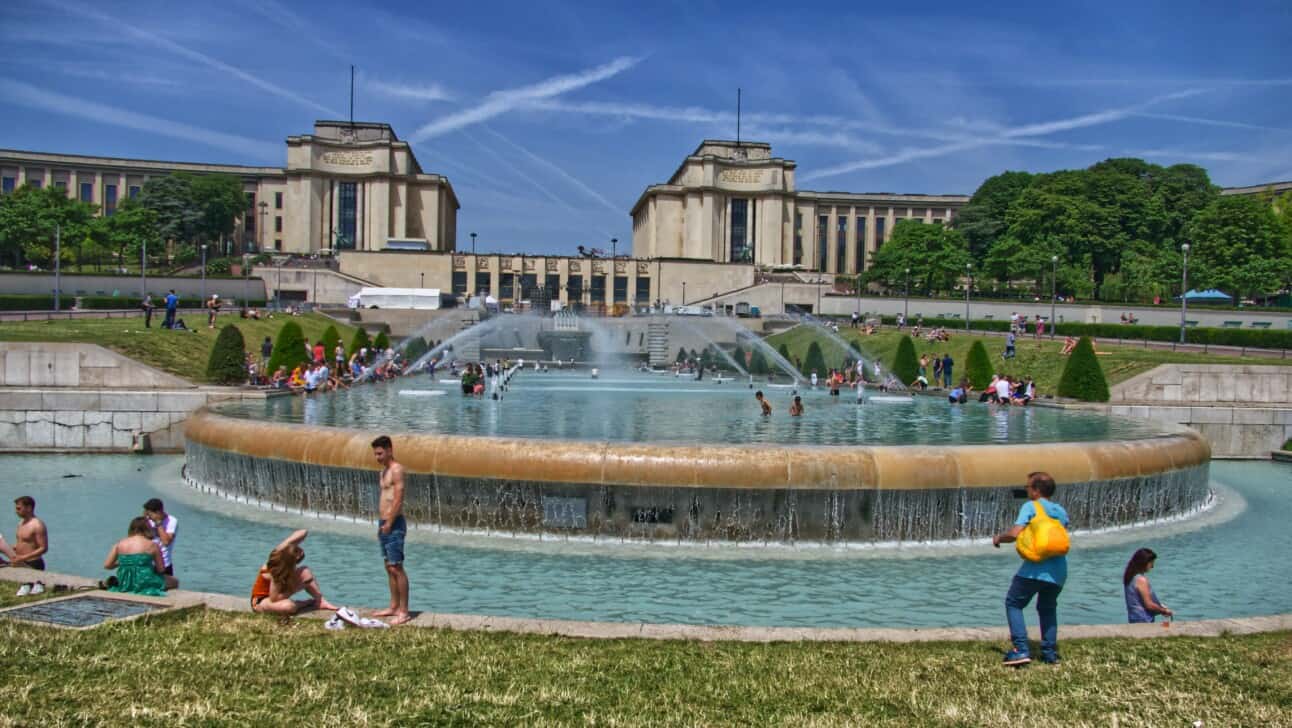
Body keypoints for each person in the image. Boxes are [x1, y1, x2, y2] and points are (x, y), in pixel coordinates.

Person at [992, 472, 1069, 667]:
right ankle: (1050, 653)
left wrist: (999, 538)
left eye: (1028, 487)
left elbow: (1015, 533)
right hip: (1059, 571)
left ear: (1036, 490)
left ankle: (1020, 649)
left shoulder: (1031, 506)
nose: (1026, 490)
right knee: (1048, 609)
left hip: (1034, 569)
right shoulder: (1060, 511)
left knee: (1013, 603)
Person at [250, 529, 337, 615]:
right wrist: (298, 587)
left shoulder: (280, 552)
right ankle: (304, 603)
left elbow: (303, 532)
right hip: (262, 601)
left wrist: (289, 542)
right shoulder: (276, 570)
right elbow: (274, 599)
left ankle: (320, 601)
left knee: (305, 572)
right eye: (298, 555)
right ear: (290, 562)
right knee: (289, 606)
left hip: (275, 596)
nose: (301, 551)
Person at [372, 436, 411, 625]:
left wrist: (389, 521)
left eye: (380, 453)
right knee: (388, 567)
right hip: (384, 523)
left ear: (389, 449)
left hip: (394, 523)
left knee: (397, 567)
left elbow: (398, 498)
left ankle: (404, 611)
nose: (377, 457)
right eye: (375, 454)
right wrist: (382, 524)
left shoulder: (397, 470)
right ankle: (393, 606)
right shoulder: (383, 472)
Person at [102, 517, 177, 596]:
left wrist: (123, 562)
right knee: (174, 581)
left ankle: (114, 583)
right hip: (144, 579)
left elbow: (107, 565)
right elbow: (161, 569)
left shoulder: (120, 543)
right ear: (147, 529)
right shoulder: (152, 545)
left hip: (124, 580)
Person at [11, 495, 48, 595]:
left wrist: (23, 557)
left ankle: (39, 584)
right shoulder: (21, 523)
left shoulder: (37, 525)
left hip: (34, 564)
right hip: (22, 564)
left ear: (29, 508)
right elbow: (23, 542)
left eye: (19, 508)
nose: (16, 511)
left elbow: (43, 548)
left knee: (35, 592)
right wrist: (13, 548)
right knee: (21, 594)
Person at [1124, 548, 1173, 623]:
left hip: (1133, 619)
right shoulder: (1141, 580)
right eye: (1151, 563)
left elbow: (1138, 600)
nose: (1152, 566)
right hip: (1143, 620)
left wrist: (1159, 605)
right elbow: (1149, 605)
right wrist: (1164, 611)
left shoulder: (1130, 577)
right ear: (1144, 563)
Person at [142, 498, 177, 576]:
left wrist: (158, 523)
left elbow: (166, 542)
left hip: (164, 564)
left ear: (158, 512)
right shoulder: (147, 521)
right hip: (148, 563)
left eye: (150, 514)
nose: (149, 517)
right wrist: (144, 519)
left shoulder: (172, 521)